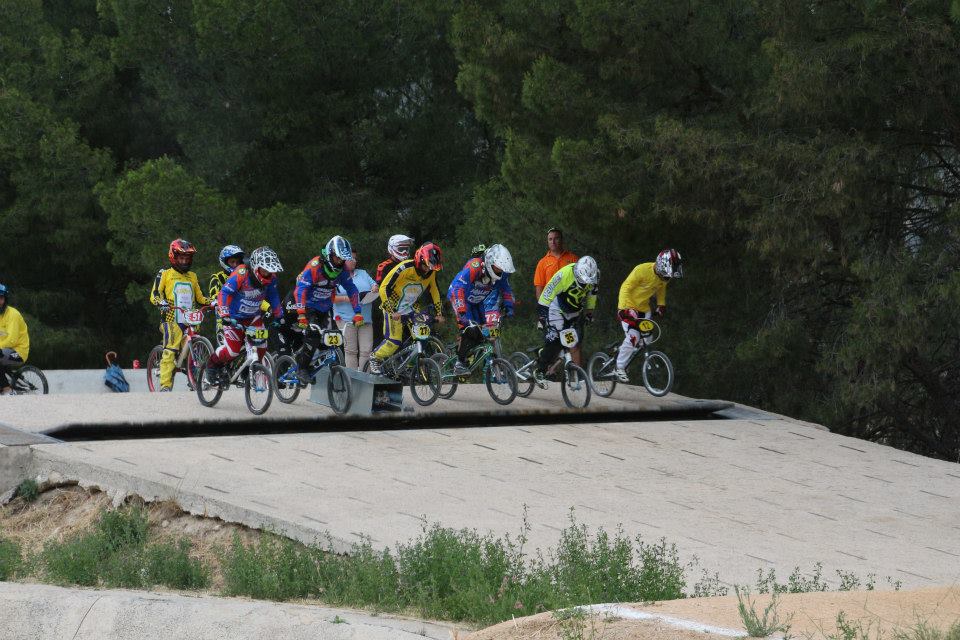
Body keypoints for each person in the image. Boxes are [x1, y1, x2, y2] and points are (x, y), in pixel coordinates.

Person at [205, 246, 283, 381]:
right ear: (256, 267)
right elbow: (224, 293)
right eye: (264, 270)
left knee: (262, 346)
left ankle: (249, 368)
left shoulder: (272, 278)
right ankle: (212, 365)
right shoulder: (241, 272)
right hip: (233, 317)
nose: (267, 274)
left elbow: (273, 296)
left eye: (270, 271)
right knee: (232, 351)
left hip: (253, 317)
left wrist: (279, 315)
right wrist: (224, 314)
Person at [293, 236, 363, 383]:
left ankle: (323, 368)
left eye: (343, 259)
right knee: (313, 336)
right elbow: (300, 290)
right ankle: (302, 368)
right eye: (338, 258)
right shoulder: (314, 266)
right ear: (330, 254)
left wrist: (358, 312)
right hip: (309, 306)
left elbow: (352, 289)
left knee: (332, 339)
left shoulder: (342, 270)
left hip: (326, 307)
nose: (340, 262)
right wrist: (301, 314)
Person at [368, 242, 444, 374]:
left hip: (411, 307)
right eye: (425, 266)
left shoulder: (431, 272)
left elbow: (435, 291)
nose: (427, 270)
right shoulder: (404, 268)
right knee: (394, 341)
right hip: (393, 307)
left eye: (431, 267)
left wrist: (439, 312)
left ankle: (412, 365)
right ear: (419, 260)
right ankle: (375, 357)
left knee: (422, 334)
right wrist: (392, 311)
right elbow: (383, 288)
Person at [149, 239, 211, 391]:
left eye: (187, 258)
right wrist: (161, 302)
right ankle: (165, 385)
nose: (184, 261)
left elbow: (200, 298)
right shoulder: (165, 274)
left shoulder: (193, 276)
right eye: (181, 258)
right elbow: (155, 294)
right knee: (170, 350)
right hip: (171, 319)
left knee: (194, 349)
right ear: (173, 257)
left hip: (190, 320)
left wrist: (213, 302)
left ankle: (195, 381)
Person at [615, 249, 682, 382]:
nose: (667, 278)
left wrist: (661, 304)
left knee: (647, 338)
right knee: (633, 337)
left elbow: (661, 288)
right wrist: (623, 309)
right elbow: (625, 287)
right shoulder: (641, 270)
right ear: (661, 265)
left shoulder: (664, 275)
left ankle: (623, 350)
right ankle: (619, 367)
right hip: (629, 308)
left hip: (644, 309)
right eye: (667, 275)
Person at [447, 244, 516, 375]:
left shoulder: (501, 274)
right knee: (470, 329)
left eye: (502, 269)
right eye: (497, 268)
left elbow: (506, 290)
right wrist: (461, 311)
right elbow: (458, 287)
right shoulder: (475, 266)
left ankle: (464, 351)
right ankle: (459, 363)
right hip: (460, 297)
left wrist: (509, 307)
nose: (500, 271)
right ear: (489, 263)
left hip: (477, 301)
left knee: (483, 333)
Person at [535, 256, 599, 381]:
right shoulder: (563, 275)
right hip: (556, 309)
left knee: (572, 342)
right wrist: (542, 317)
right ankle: (540, 370)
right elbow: (545, 296)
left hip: (574, 311)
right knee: (555, 339)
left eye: (587, 281)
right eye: (582, 280)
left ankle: (574, 375)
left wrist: (589, 312)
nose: (584, 283)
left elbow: (592, 294)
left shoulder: (595, 275)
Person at [333, 250, 377, 369]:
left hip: (365, 318)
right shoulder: (335, 275)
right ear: (343, 260)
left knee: (367, 351)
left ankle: (364, 377)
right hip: (345, 319)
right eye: (351, 259)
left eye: (355, 259)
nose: (354, 261)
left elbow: (374, 285)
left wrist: (374, 288)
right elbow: (329, 298)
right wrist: (349, 299)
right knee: (351, 351)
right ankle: (352, 377)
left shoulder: (363, 273)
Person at [373, 234, 414, 345]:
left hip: (409, 303)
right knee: (393, 340)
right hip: (391, 305)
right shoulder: (384, 266)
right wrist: (376, 286)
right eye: (401, 249)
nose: (404, 252)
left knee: (416, 335)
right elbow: (380, 285)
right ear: (392, 249)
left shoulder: (411, 264)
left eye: (406, 249)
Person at [0, 283, 29, 395]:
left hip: (18, 352)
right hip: (4, 350)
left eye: (1, 298)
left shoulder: (13, 315)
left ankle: (7, 389)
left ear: (5, 299)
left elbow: (12, 340)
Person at [533, 227, 578, 300]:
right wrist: (542, 305)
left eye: (556, 238)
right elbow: (539, 288)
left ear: (562, 240)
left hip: (571, 302)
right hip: (551, 303)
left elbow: (581, 282)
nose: (553, 242)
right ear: (547, 241)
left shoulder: (573, 259)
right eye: (550, 239)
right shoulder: (542, 263)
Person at [209, 245, 245, 332]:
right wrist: (215, 301)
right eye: (232, 262)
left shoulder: (244, 277)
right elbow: (214, 296)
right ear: (224, 262)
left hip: (244, 317)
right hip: (225, 320)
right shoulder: (217, 277)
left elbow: (253, 295)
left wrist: (268, 307)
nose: (235, 265)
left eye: (238, 262)